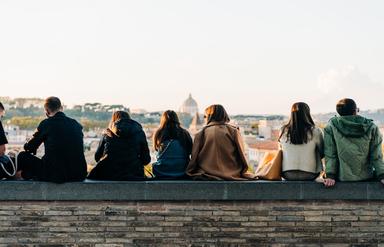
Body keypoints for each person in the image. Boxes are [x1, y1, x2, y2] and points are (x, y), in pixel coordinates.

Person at [17, 97, 87, 183]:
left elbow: (29, 148)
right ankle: (27, 174)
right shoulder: (76, 124)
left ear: (46, 111)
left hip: (56, 175)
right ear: (61, 108)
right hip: (79, 174)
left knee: (22, 156)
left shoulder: (47, 123)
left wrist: (29, 141)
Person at [323, 98, 384, 187]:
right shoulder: (371, 127)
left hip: (342, 177)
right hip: (367, 176)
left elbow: (330, 153)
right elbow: (376, 155)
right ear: (355, 111)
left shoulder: (331, 126)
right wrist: (382, 175)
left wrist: (330, 175)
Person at [186, 104, 254, 180]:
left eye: (205, 116)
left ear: (209, 117)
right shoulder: (233, 131)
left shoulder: (200, 133)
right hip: (232, 172)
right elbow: (241, 155)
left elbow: (194, 157)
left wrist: (190, 171)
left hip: (206, 173)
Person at [87, 111, 151, 180]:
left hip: (108, 174)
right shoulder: (139, 132)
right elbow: (146, 160)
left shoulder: (107, 134)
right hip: (134, 174)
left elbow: (97, 157)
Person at [279, 102, 324, 181]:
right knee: (315, 148)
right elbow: (322, 152)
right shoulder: (315, 131)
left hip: (287, 174)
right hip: (310, 174)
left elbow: (280, 150)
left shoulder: (283, 130)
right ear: (307, 113)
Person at [152, 110, 193, 179]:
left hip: (162, 171)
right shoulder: (184, 133)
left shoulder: (158, 133)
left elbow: (156, 149)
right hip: (182, 170)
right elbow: (190, 151)